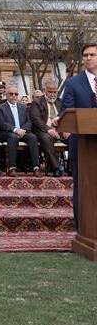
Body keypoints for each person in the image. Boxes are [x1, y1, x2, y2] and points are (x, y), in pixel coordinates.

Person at [60, 43, 97, 228]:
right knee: (82, 186)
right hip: (82, 145)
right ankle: (83, 227)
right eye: (85, 55)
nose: (88, 58)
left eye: (92, 55)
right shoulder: (73, 83)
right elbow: (66, 110)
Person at [0, 86, 41, 177]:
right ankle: (11, 168)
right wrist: (16, 130)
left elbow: (29, 122)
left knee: (33, 137)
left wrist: (23, 130)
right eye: (11, 94)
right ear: (6, 95)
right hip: (6, 132)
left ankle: (36, 167)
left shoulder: (24, 107)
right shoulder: (0, 108)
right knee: (13, 137)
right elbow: (1, 123)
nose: (14, 96)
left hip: (22, 131)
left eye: (16, 94)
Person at [29, 78, 65, 177]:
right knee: (46, 138)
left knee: (75, 138)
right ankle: (56, 168)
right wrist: (49, 129)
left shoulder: (60, 102)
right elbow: (36, 119)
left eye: (55, 92)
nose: (53, 95)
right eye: (50, 92)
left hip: (60, 129)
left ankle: (75, 167)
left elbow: (66, 116)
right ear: (45, 91)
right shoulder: (37, 102)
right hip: (43, 130)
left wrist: (67, 129)